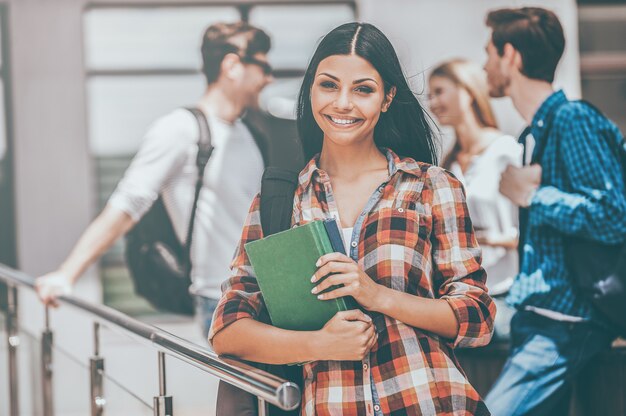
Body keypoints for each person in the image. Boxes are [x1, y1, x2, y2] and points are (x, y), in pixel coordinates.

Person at [210, 22, 495, 415]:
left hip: (430, 403)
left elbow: (477, 319)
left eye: (363, 89)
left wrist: (376, 294)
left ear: (387, 97)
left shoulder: (431, 187)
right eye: (328, 85)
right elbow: (227, 331)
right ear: (311, 89)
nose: (343, 103)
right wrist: (321, 344)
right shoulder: (279, 201)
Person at [34, 22, 273, 336]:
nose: (268, 79)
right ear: (232, 66)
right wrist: (67, 273)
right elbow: (128, 202)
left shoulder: (250, 133)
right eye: (263, 67)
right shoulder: (180, 129)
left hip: (264, 294)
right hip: (220, 297)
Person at [482, 7, 626, 415]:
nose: (485, 65)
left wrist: (533, 197)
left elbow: (613, 214)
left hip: (565, 321)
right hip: (539, 317)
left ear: (510, 55)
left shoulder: (573, 120)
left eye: (489, 53)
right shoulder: (535, 132)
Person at [428, 58, 521, 340]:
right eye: (430, 95)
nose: (432, 103)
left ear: (467, 91)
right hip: (464, 296)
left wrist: (491, 239)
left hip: (509, 294)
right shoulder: (447, 164)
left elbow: (533, 229)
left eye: (439, 91)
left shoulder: (506, 152)